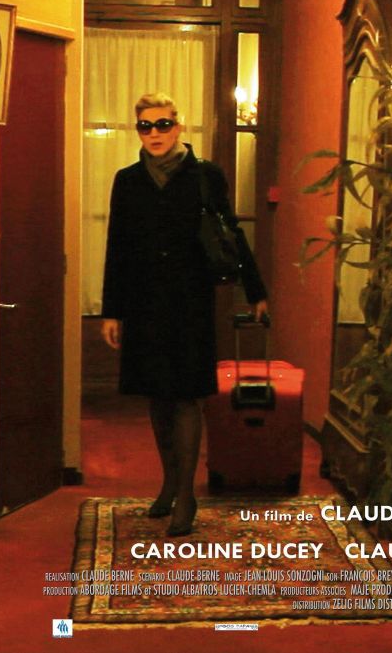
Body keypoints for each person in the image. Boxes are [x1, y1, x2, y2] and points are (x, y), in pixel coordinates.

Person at [100, 92, 268, 536]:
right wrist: (112, 311)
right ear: (138, 130)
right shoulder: (128, 180)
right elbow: (117, 246)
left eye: (163, 124)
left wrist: (255, 289)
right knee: (157, 396)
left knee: (187, 396)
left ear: (178, 127)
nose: (154, 133)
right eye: (145, 126)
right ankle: (169, 483)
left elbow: (231, 232)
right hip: (143, 302)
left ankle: (187, 495)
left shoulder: (205, 175)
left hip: (190, 301)